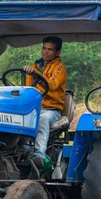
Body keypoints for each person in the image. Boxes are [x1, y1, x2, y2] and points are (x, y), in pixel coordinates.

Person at [24, 36, 67, 170]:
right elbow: (28, 88)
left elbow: (52, 85)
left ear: (57, 52)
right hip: (34, 107)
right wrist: (31, 73)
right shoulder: (35, 65)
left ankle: (39, 155)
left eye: (50, 49)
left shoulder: (60, 69)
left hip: (51, 110)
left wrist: (36, 75)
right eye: (44, 48)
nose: (45, 52)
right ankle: (23, 151)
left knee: (42, 120)